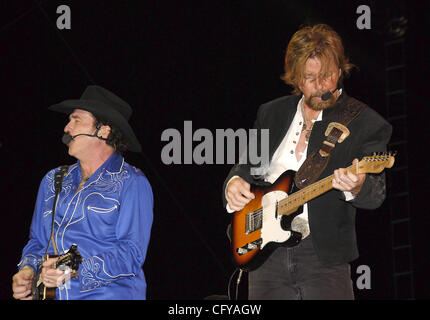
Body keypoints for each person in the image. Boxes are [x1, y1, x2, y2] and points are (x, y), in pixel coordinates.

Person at [223, 24, 392, 300]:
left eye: (327, 76)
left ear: (339, 71)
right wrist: (234, 182)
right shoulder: (271, 113)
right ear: (296, 79)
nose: (320, 86)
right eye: (310, 77)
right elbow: (248, 166)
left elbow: (376, 194)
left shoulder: (365, 122)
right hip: (265, 256)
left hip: (323, 255)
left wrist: (357, 185)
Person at [12, 85, 153, 300]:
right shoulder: (52, 180)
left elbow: (131, 254)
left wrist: (73, 269)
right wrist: (28, 271)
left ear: (103, 130)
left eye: (76, 120)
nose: (67, 127)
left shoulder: (132, 182)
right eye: (69, 120)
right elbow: (38, 242)